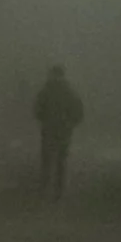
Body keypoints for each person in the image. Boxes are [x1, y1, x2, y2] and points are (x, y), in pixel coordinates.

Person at [32, 62, 84, 197]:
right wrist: (70, 123)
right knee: (61, 160)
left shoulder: (46, 91)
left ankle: (44, 187)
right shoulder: (70, 92)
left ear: (52, 74)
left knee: (47, 159)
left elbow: (37, 110)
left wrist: (45, 119)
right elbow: (78, 112)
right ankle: (58, 189)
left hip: (48, 129)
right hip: (64, 130)